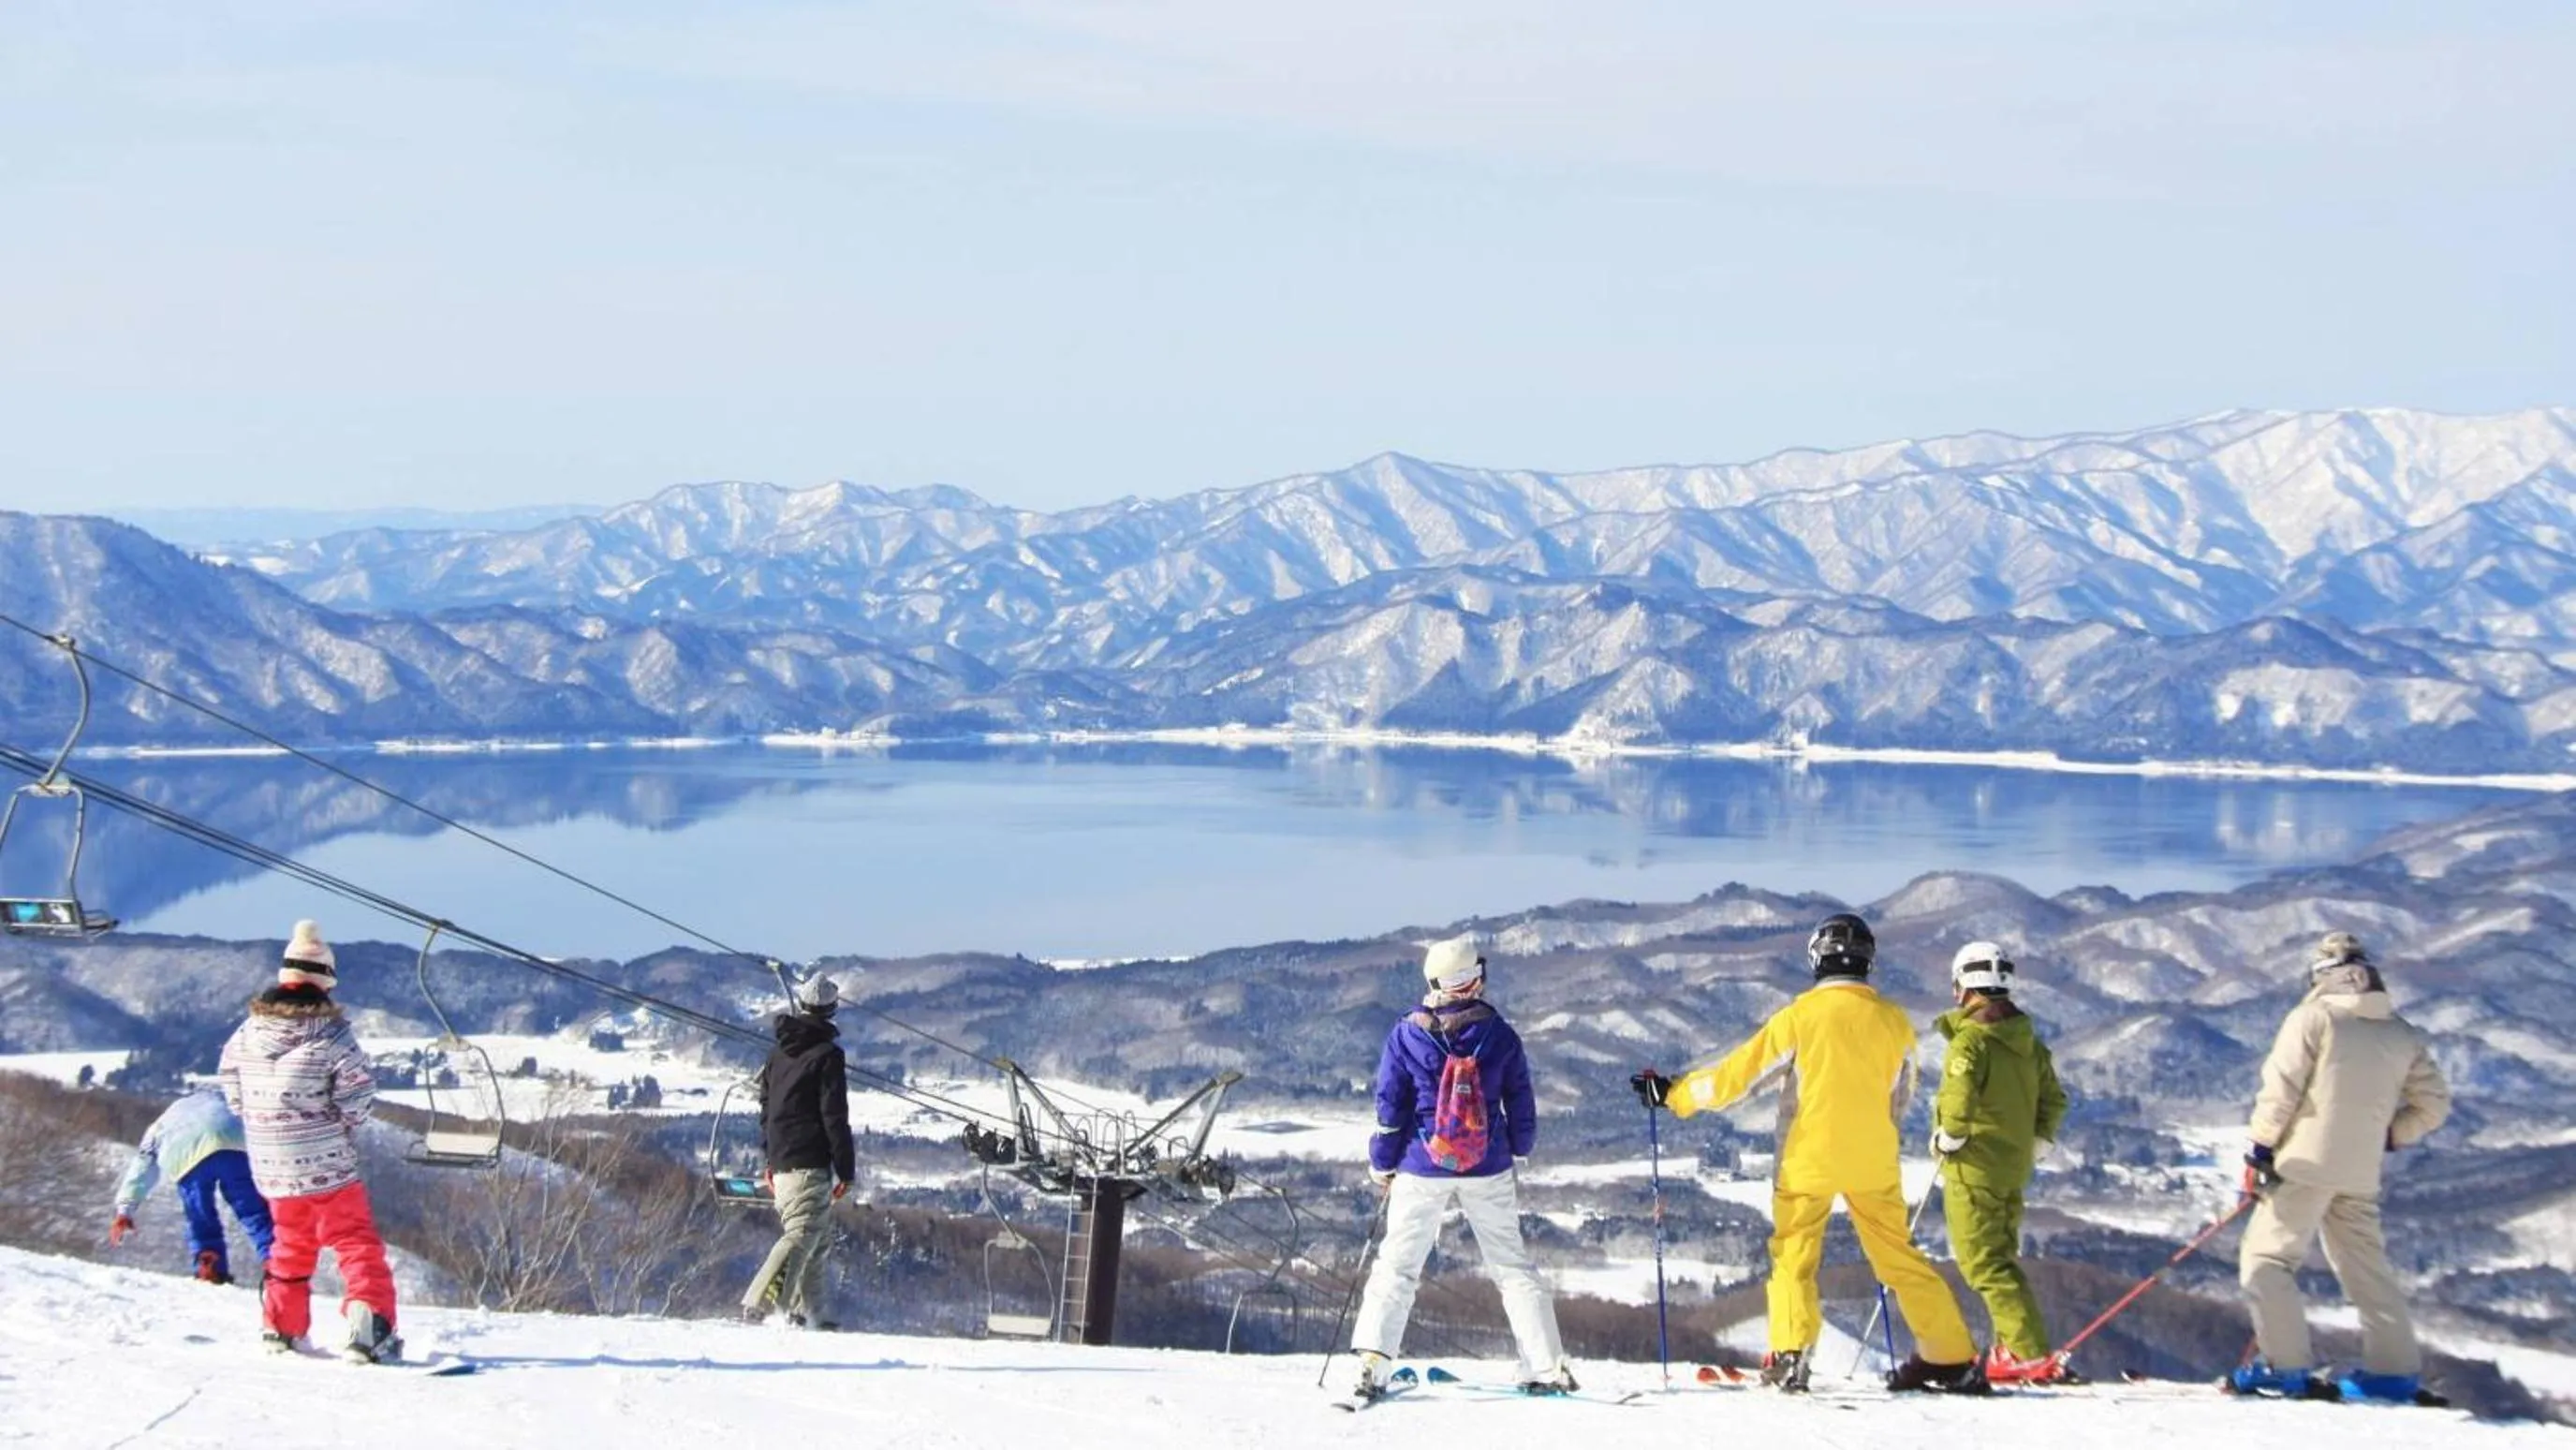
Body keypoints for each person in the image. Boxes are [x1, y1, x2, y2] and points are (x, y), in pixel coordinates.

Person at [1634, 912, 1982, 1394]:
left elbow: (1737, 1079)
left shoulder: (1799, 1018)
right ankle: (1950, 1357)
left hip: (1807, 1157)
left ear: (1817, 958)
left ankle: (1791, 1353)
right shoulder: (1895, 1022)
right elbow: (1901, 1097)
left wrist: (1674, 1094)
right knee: (1899, 1259)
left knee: (1794, 1255)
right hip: (1874, 1160)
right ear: (1867, 961)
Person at [1346, 937, 1573, 1404]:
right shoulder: (1501, 1034)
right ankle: (1547, 1365)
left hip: (1421, 1164)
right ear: (1472, 979)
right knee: (1511, 1265)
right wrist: (1519, 1149)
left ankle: (1373, 1363)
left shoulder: (1405, 1035)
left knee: (1398, 1265)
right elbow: (1521, 1102)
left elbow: (1390, 1107)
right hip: (1487, 1165)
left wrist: (1382, 1162)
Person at [2231, 932, 2451, 1404]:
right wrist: (2390, 1134)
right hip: (2360, 1169)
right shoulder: (2399, 1032)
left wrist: (2260, 1148)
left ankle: (2285, 1367)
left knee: (2267, 1259)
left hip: (2303, 1162)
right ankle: (2394, 1373)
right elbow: (2434, 1104)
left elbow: (2281, 1091)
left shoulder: (2313, 1019)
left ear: (2320, 976)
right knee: (2366, 1268)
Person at [217, 920, 402, 1363]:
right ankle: (369, 1326)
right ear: (326, 982)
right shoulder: (332, 1035)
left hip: (271, 1165)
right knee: (353, 1239)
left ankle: (280, 1326)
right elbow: (357, 1097)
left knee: (290, 1241)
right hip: (325, 1161)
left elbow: (232, 1089)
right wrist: (339, 1124)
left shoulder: (247, 1032)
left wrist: (264, 1120)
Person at [1931, 941, 2068, 1384]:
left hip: (1974, 1167)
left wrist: (1949, 1135)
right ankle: (2015, 1346)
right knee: (2002, 1259)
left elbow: (1959, 1097)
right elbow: (2054, 1099)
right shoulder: (2029, 1043)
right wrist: (2039, 1139)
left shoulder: (1971, 1042)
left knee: (1983, 1264)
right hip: (2012, 1166)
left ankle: (2027, 1352)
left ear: (1964, 986)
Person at [743, 973, 854, 1328]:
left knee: (816, 1238)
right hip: (810, 1160)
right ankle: (764, 1304)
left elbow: (767, 1108)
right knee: (803, 1234)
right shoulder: (828, 1056)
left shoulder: (777, 1054)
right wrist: (846, 1169)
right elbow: (833, 1115)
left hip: (782, 1159)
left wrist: (770, 1158)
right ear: (832, 1010)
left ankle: (814, 1316)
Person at [109, 1085, 276, 1285]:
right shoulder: (224, 1102)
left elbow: (143, 1164)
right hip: (232, 1139)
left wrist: (125, 1210)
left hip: (185, 1154)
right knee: (253, 1211)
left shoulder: (161, 1123)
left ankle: (210, 1266)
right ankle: (275, 1263)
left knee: (199, 1215)